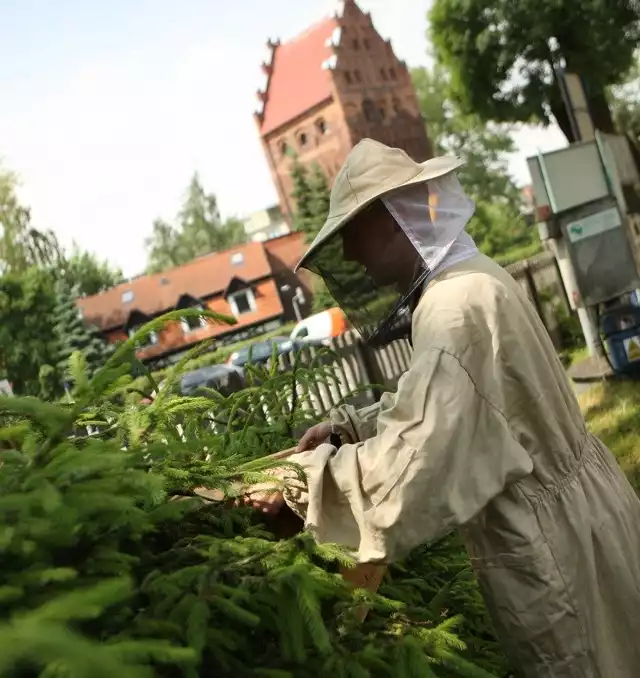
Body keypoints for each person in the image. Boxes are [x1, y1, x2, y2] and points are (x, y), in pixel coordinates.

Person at [245, 139, 640, 677]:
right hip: (588, 514)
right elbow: (456, 397)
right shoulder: (472, 277)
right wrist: (352, 428)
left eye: (354, 236)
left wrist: (298, 483)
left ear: (391, 219)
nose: (354, 257)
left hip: (553, 550)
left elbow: (413, 470)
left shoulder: (453, 309)